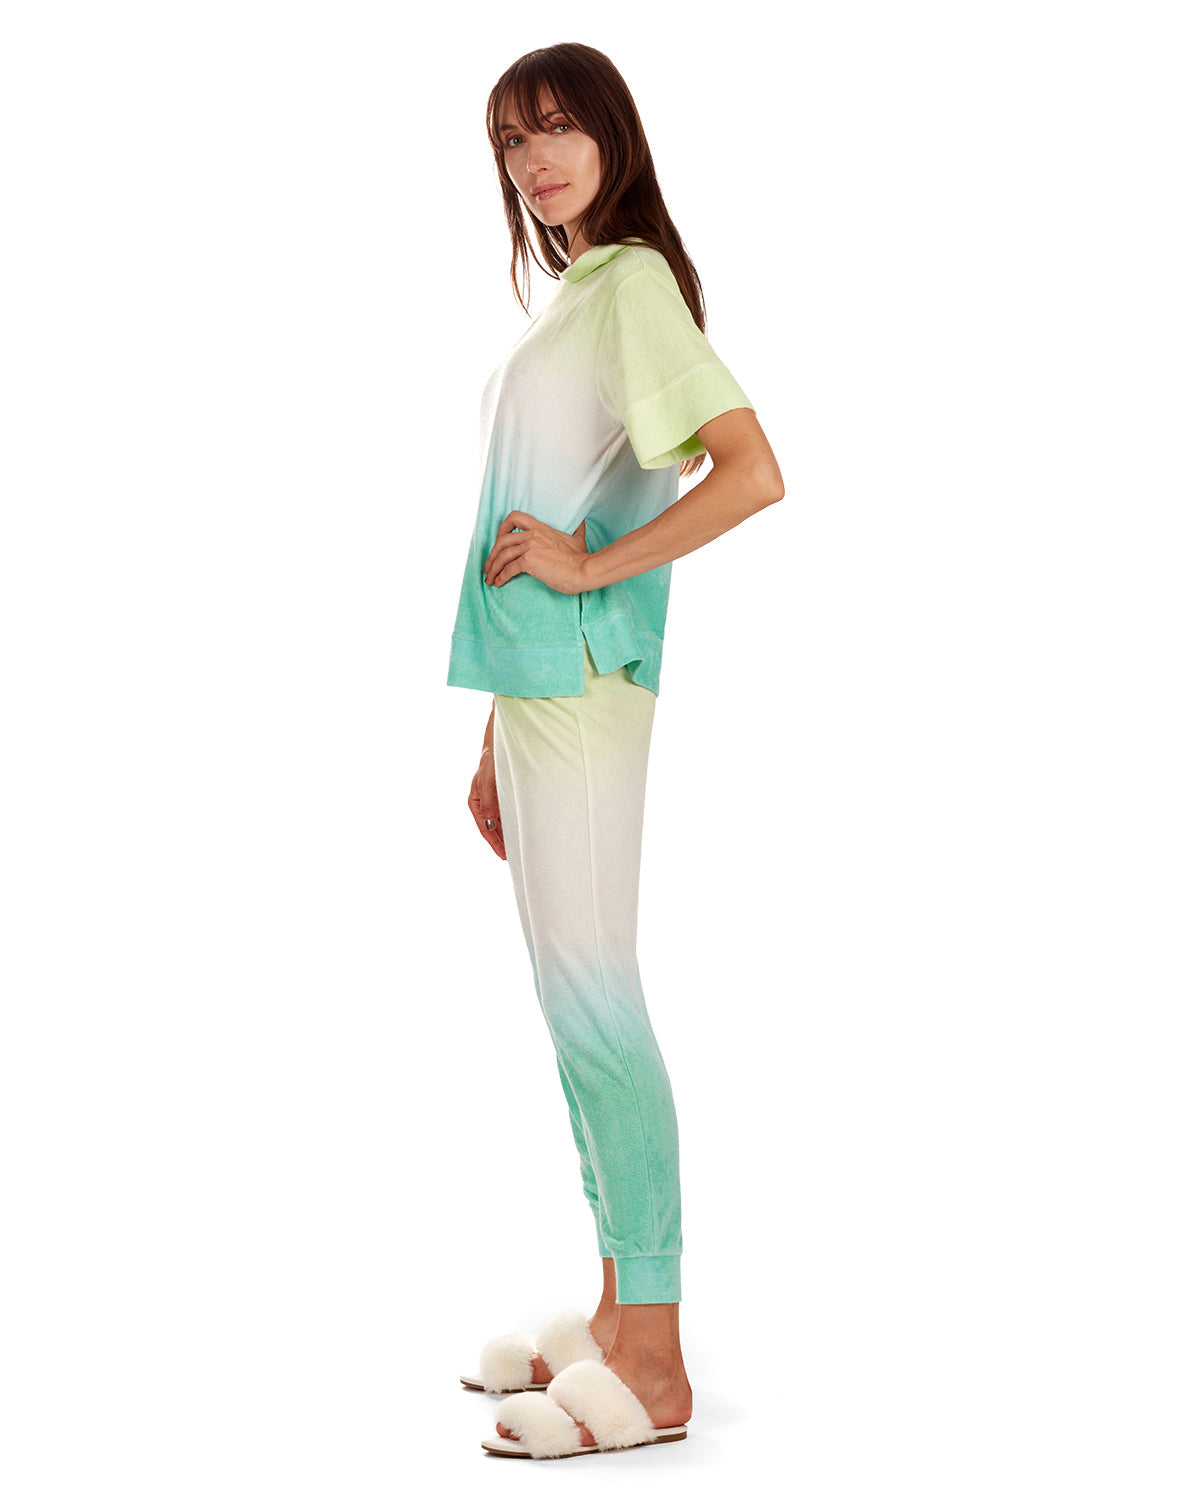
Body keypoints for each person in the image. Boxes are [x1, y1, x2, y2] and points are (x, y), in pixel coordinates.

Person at [447, 42, 784, 1460]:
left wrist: (589, 571)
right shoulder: (580, 298)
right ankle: (613, 1305)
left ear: (611, 136)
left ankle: (656, 1355)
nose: (534, 160)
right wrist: (491, 729)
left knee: (597, 1004)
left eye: (555, 128)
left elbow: (751, 469)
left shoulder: (633, 284)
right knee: (565, 1001)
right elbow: (528, 518)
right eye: (511, 140)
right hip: (536, 697)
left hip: (587, 687)